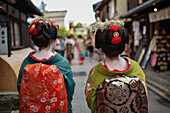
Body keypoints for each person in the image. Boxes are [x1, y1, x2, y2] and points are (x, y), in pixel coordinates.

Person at [85, 20, 148, 113]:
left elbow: (91, 102)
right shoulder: (135, 67)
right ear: (123, 46)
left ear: (101, 48)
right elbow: (144, 94)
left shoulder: (96, 71)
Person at [17, 17, 75, 113]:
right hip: (57, 108)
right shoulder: (62, 63)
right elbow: (70, 87)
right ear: (52, 40)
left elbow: (20, 87)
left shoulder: (27, 62)